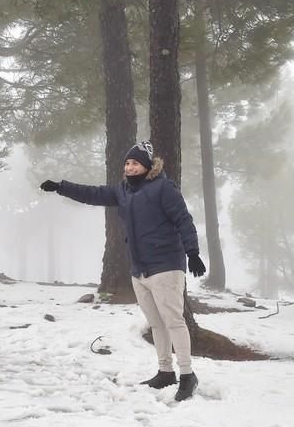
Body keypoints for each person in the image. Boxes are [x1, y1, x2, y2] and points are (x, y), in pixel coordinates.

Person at [39, 140, 206, 401]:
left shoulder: (164, 188)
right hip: (140, 269)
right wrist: (61, 187)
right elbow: (92, 194)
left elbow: (183, 219)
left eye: (135, 163)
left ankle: (187, 375)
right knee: (156, 323)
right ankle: (165, 371)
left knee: (173, 320)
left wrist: (193, 253)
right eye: (127, 163)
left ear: (148, 166)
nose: (129, 167)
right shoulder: (123, 191)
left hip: (166, 265)